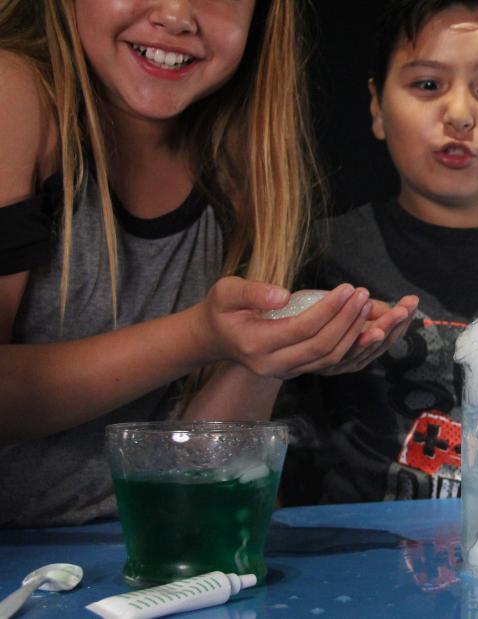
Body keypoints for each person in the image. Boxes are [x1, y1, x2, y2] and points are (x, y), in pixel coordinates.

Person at [0, 0, 414, 527]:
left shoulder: (238, 172)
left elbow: (197, 473)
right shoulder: (12, 96)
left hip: (152, 553)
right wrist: (199, 336)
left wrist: (274, 349)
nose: (176, 15)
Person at [276, 0, 478, 505]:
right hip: (367, 556)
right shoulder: (323, 251)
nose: (459, 115)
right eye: (427, 85)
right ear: (377, 107)